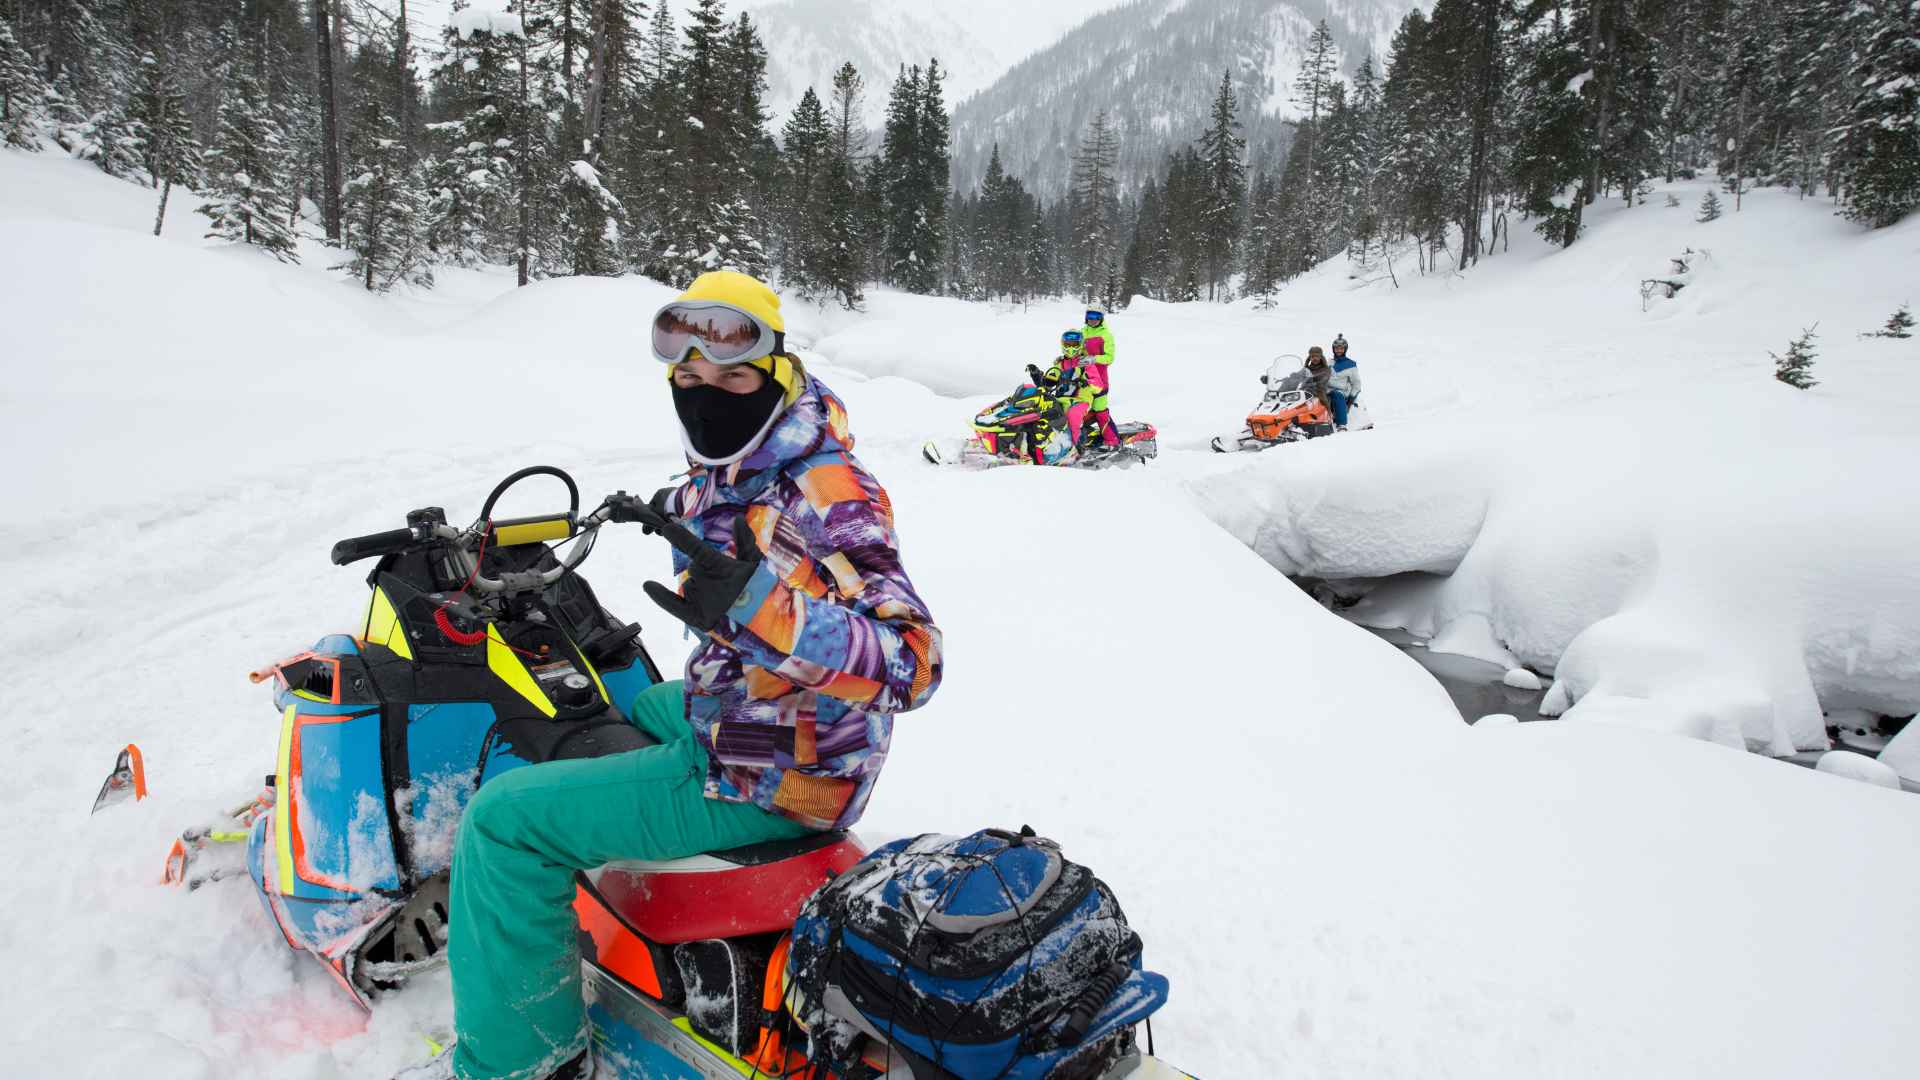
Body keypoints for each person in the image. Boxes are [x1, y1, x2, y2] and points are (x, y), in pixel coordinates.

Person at [414, 271, 944, 1080]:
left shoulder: (830, 494)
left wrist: (764, 609)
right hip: (755, 716)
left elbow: (913, 661)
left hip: (775, 775)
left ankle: (520, 1064)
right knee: (627, 693)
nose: (708, 394)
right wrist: (653, 507)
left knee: (502, 823)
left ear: (774, 371)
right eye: (689, 379)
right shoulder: (753, 454)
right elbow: (726, 508)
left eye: (732, 376)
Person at [1080, 306, 1120, 449]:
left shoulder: (1105, 334)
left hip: (1099, 379)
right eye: (1090, 315)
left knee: (1099, 410)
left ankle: (1113, 441)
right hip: (1081, 379)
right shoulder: (1082, 332)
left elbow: (1109, 357)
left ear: (1101, 318)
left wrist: (1093, 359)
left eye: (1096, 316)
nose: (1093, 319)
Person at [1328, 333, 1361, 431]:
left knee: (1337, 395)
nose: (1339, 350)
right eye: (1336, 348)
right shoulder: (1330, 362)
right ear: (1333, 349)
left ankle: (1341, 425)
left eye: (1341, 348)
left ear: (1345, 349)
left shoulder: (1351, 364)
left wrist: (1351, 399)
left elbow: (1357, 383)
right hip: (1327, 389)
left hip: (1341, 391)